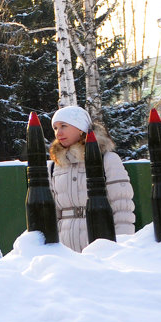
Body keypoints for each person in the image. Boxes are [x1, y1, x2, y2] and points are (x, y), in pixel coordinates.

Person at [48, 105, 136, 251]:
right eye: (56, 128)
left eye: (64, 126)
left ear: (80, 128)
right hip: (65, 249)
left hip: (101, 241)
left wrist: (122, 244)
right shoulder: (54, 166)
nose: (59, 133)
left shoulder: (107, 159)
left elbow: (122, 206)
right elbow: (53, 213)